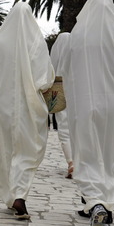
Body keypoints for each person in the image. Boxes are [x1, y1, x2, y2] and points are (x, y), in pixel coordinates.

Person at [0, 2, 55, 219]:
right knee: (27, 150)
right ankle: (20, 193)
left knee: (4, 150)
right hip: (28, 108)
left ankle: (10, 195)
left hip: (0, 105)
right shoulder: (35, 42)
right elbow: (44, 79)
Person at [60, 0, 114, 226]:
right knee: (111, 157)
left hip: (85, 107)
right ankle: (106, 205)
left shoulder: (78, 35)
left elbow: (66, 72)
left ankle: (96, 202)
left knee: (87, 157)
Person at [50, 32, 73, 179]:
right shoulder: (76, 55)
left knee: (64, 129)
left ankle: (71, 162)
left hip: (59, 92)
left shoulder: (56, 57)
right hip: (76, 92)